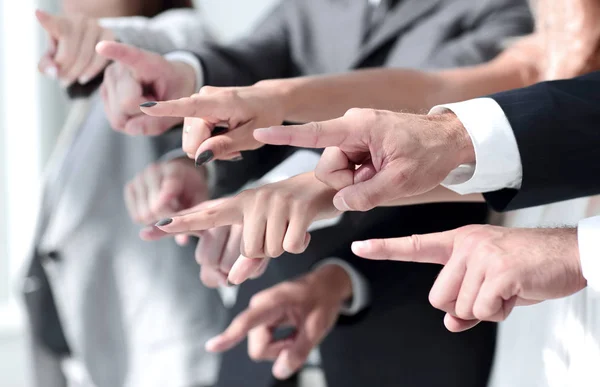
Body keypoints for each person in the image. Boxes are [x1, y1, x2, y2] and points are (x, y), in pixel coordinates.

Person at [99, 0, 534, 386]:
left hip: (404, 324)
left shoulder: (500, 9)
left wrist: (307, 186)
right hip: (267, 311)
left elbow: (440, 112)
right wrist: (192, 146)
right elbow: (250, 64)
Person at [22, 3, 225, 387]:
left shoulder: (180, 35)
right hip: (102, 363)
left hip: (173, 364)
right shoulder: (97, 96)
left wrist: (112, 38)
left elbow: (182, 44)